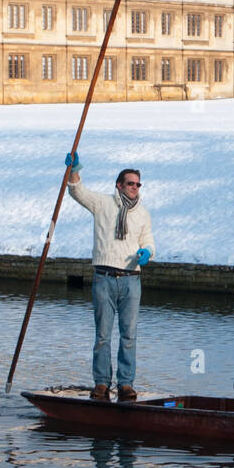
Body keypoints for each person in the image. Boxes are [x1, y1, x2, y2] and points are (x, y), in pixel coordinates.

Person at [65, 153, 154, 403]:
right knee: (103, 335)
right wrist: (74, 168)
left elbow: (148, 241)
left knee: (129, 335)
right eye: (130, 183)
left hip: (131, 279)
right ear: (119, 185)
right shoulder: (102, 204)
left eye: (138, 184)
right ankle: (102, 383)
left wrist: (147, 252)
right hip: (104, 277)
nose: (134, 187)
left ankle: (126, 384)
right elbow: (77, 191)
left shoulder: (143, 214)